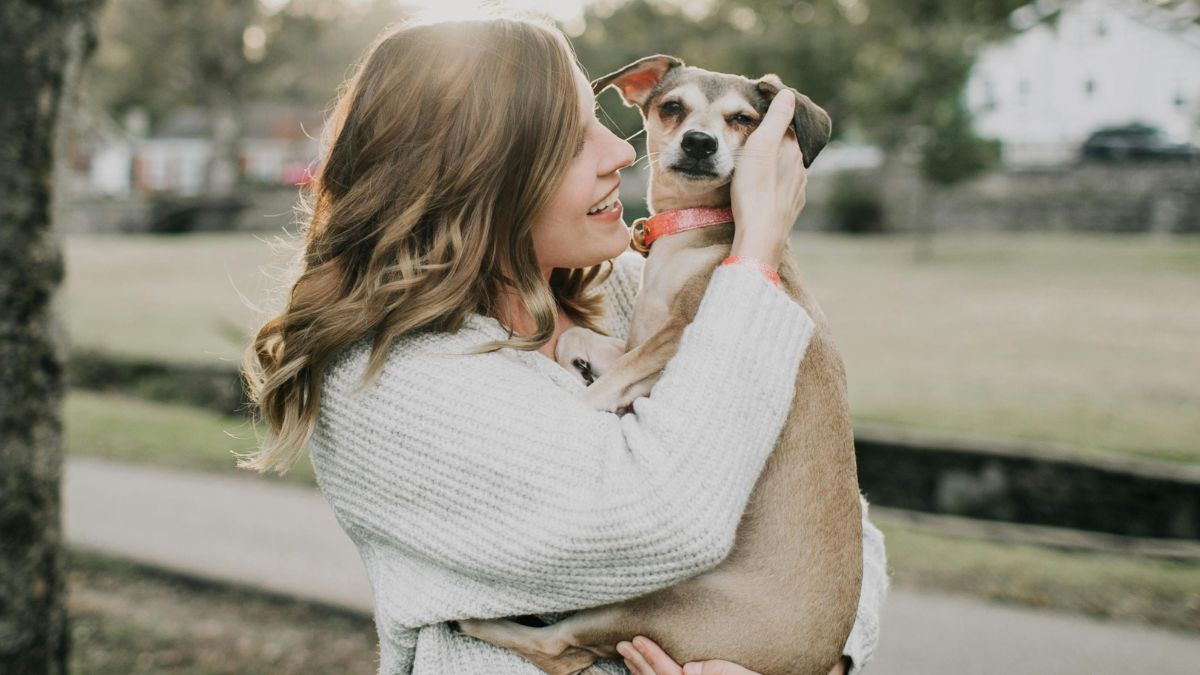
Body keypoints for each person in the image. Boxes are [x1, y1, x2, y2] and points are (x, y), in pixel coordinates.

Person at [238, 15, 888, 675]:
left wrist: (819, 663)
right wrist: (755, 254)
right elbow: (662, 519)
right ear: (480, 176)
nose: (623, 152)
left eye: (604, 121)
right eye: (576, 140)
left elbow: (834, 515)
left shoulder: (632, 295)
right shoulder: (390, 382)